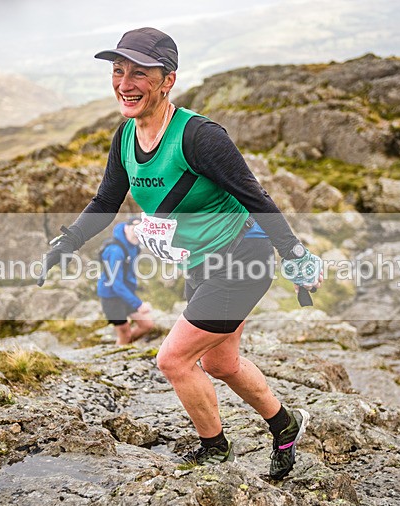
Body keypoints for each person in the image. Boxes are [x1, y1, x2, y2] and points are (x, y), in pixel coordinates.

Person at [38, 27, 323, 480]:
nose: (124, 83)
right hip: (201, 262)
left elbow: (256, 197)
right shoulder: (125, 137)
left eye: (139, 73)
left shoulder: (199, 136)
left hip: (241, 258)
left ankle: (215, 449)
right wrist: (68, 241)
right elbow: (106, 201)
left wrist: (295, 255)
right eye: (118, 71)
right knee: (220, 362)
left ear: (167, 81)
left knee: (173, 359)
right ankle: (285, 424)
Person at [97, 216, 154, 345]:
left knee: (147, 325)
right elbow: (115, 283)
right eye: (134, 230)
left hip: (126, 292)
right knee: (124, 333)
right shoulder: (115, 250)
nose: (137, 234)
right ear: (126, 228)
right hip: (111, 296)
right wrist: (138, 304)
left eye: (140, 231)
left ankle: (122, 345)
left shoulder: (134, 246)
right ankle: (119, 350)